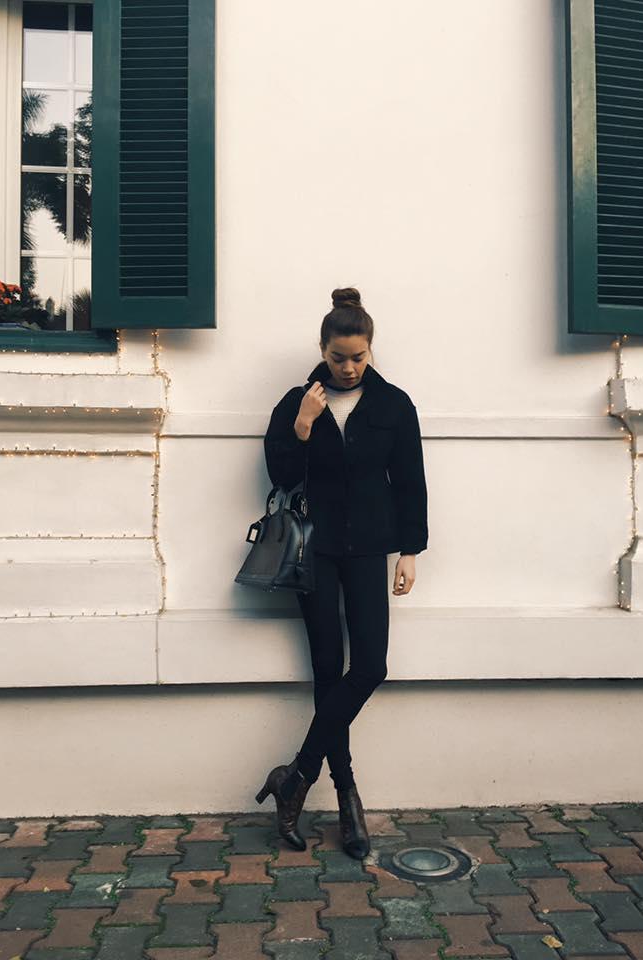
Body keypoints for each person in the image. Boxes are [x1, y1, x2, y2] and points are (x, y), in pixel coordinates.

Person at [255, 287, 428, 858]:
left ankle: (297, 776)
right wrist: (303, 427)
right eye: (338, 357)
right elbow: (281, 477)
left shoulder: (394, 405)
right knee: (328, 671)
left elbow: (410, 481)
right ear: (322, 349)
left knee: (370, 666)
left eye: (358, 357)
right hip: (314, 551)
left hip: (369, 550)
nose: (348, 368)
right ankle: (348, 798)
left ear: (370, 349)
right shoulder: (297, 402)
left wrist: (409, 551)